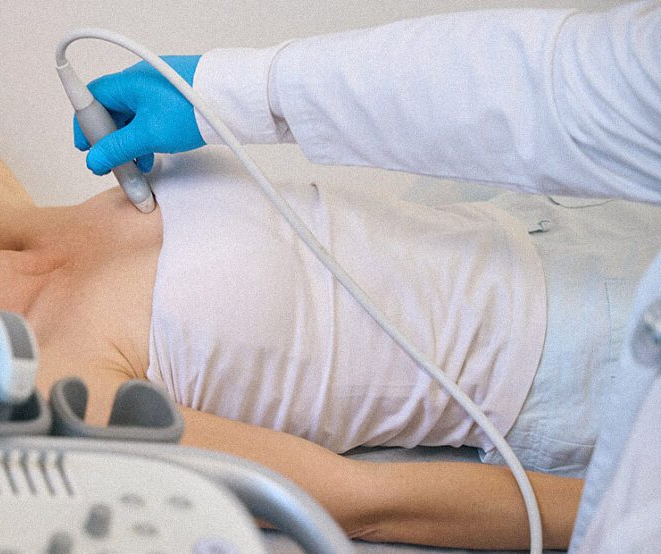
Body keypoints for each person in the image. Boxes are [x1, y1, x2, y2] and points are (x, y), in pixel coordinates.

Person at [0, 6, 657, 549]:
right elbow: (361, 501)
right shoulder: (64, 389)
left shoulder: (10, 229)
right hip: (579, 379)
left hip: (559, 224)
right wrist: (621, 516)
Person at [72, 1, 661, 551]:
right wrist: (231, 91)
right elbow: (563, 83)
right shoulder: (58, 379)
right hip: (566, 317)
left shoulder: (17, 235)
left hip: (571, 268)